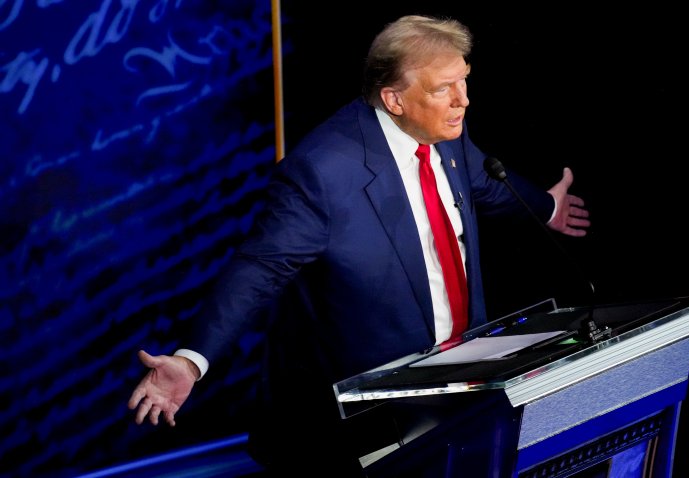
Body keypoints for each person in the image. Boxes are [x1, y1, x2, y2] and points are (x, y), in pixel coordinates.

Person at [128, 14, 590, 476]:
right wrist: (191, 362)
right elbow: (258, 271)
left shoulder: (445, 133)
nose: (463, 101)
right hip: (365, 422)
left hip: (463, 387)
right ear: (394, 99)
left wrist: (545, 206)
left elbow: (482, 183)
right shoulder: (323, 172)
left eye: (464, 81)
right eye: (443, 89)